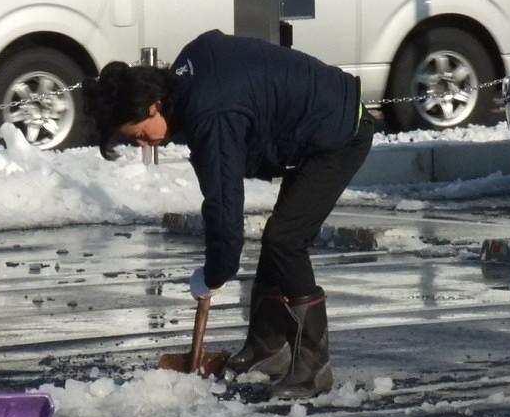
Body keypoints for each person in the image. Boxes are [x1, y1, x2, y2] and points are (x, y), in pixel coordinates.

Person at [87, 31, 375, 396]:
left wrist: (213, 274)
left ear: (154, 106)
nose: (144, 144)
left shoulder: (210, 113)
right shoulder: (189, 76)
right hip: (315, 125)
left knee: (286, 239)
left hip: (340, 133)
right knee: (280, 237)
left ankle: (313, 369)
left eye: (140, 135)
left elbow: (225, 210)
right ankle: (267, 349)